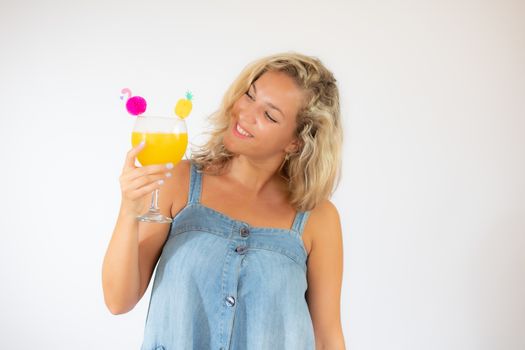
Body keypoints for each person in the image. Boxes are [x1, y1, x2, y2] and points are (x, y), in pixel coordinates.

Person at [102, 52, 345, 350]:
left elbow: (327, 338)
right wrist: (129, 211)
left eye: (269, 115)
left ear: (296, 141)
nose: (244, 113)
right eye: (249, 95)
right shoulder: (177, 181)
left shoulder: (318, 218)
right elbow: (118, 300)